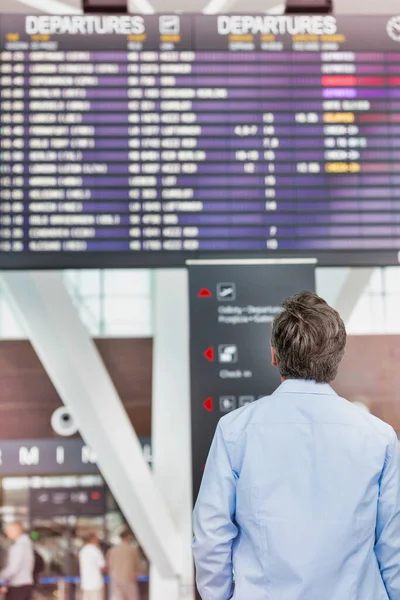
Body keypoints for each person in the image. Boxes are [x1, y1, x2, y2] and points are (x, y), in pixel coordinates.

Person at [193, 291, 400, 600]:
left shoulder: (236, 430)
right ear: (337, 357)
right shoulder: (379, 436)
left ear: (274, 355)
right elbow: (393, 544)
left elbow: (211, 535)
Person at [0, 521, 34, 600]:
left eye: (8, 531)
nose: (7, 533)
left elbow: (13, 568)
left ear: (16, 531)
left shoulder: (18, 547)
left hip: (17, 587)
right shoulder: (27, 545)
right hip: (25, 586)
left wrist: (1, 576)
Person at [107, 531, 141, 600]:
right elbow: (137, 565)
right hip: (129, 578)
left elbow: (110, 565)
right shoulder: (132, 550)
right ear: (128, 538)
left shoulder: (112, 550)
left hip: (116, 578)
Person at [79, 533, 106, 600]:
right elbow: (102, 567)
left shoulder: (83, 551)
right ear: (93, 539)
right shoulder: (95, 550)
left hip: (85, 584)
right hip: (96, 583)